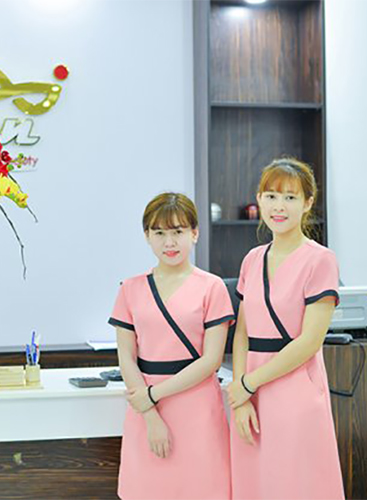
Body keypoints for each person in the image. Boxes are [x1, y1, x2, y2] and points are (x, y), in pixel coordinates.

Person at [227, 158, 344, 499]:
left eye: (290, 197)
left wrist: (248, 383)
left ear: (307, 203)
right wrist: (241, 397)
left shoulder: (320, 260)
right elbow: (242, 333)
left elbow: (309, 342)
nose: (279, 206)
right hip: (250, 392)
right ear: (259, 200)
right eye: (271, 196)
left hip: (294, 387)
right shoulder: (252, 259)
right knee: (255, 484)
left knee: (294, 485)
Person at [109, 192, 234, 499]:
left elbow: (211, 360)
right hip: (145, 409)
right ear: (147, 236)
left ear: (195, 233)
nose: (169, 242)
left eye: (178, 231)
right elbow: (126, 357)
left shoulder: (212, 287)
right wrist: (150, 413)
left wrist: (152, 395)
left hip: (196, 405)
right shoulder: (130, 288)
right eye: (159, 233)